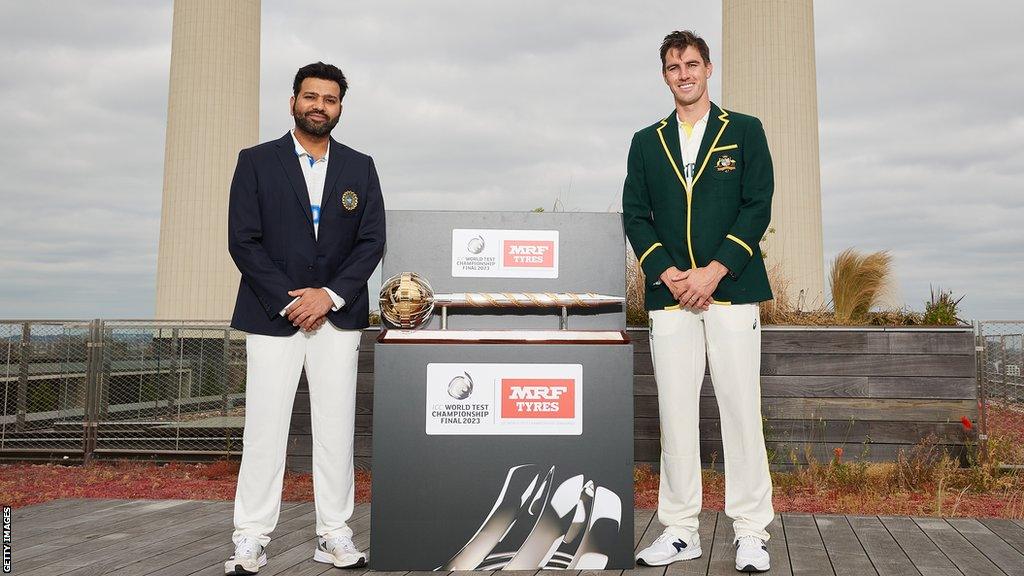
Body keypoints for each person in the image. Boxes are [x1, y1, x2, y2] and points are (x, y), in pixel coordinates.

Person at [224, 61, 385, 575]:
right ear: (293, 101)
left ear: (340, 107)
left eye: (330, 99)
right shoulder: (256, 162)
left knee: (336, 431)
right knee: (264, 431)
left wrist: (330, 296)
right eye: (311, 97)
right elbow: (242, 240)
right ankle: (250, 537)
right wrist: (292, 300)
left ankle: (334, 534)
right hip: (274, 317)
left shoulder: (360, 166)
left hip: (336, 319)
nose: (320, 106)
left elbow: (371, 242)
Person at [622, 31, 774, 573]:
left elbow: (758, 206)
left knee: (740, 413)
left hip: (731, 293)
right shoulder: (647, 141)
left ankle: (752, 531)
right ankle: (680, 529)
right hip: (671, 299)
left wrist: (712, 273)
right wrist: (669, 274)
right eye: (672, 67)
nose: (683, 73)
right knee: (677, 415)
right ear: (665, 76)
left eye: (691, 64)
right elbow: (635, 215)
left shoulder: (746, 132)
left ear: (708, 68)